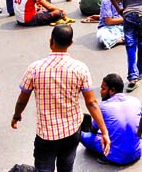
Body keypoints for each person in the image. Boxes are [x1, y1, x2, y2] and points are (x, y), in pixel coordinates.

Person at [12, 25, 110, 172]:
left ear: (50, 41)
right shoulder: (80, 68)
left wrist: (17, 115)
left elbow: (22, 99)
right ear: (71, 43)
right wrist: (104, 132)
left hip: (46, 135)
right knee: (66, 167)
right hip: (71, 132)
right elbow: (91, 102)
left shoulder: (35, 68)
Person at [79, 73, 142, 165]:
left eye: (103, 89)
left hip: (115, 156)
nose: (101, 92)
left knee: (82, 135)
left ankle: (106, 156)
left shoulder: (102, 107)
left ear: (112, 90)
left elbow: (93, 130)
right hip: (137, 152)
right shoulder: (136, 101)